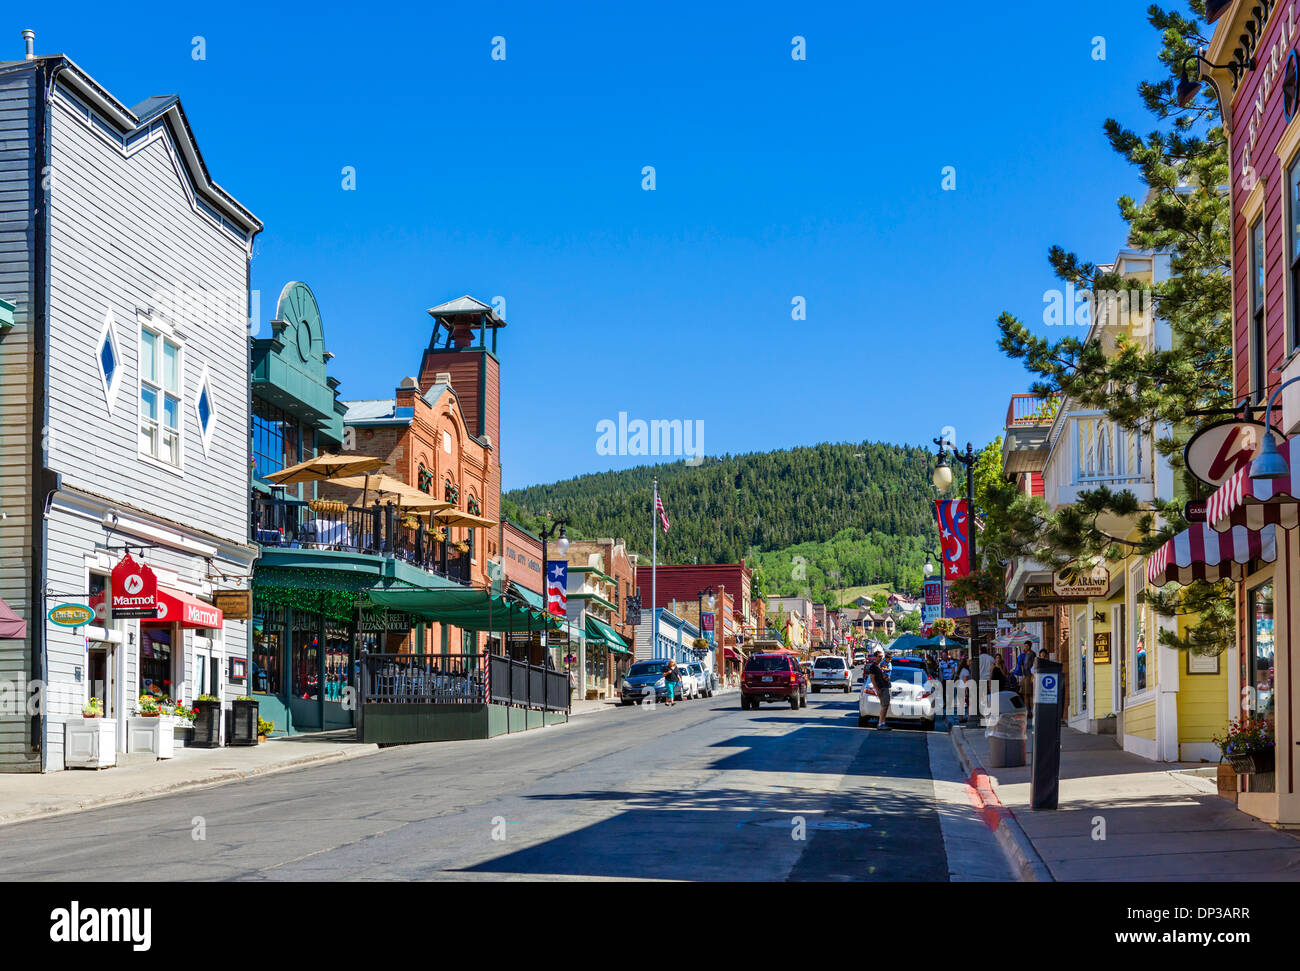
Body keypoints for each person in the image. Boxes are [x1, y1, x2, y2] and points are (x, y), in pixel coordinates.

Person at [867, 649, 892, 730]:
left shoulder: (883, 665)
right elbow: (872, 679)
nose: (881, 658)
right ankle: (881, 723)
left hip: (885, 686)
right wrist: (877, 689)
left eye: (882, 656)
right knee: (884, 706)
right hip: (881, 688)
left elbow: (887, 674)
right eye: (879, 656)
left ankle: (882, 723)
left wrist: (887, 677)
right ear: (875, 657)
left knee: (885, 705)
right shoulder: (873, 666)